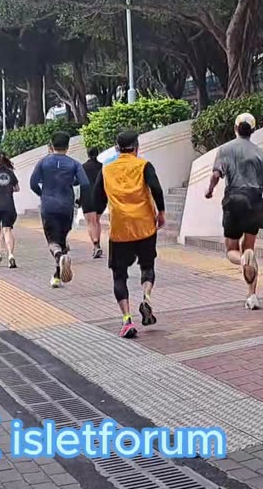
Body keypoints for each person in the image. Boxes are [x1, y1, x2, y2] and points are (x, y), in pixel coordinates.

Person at [89, 130, 165, 338]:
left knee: (119, 275)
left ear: (116, 148)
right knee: (147, 266)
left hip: (120, 230)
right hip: (145, 227)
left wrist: (97, 215)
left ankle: (126, 321)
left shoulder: (106, 170)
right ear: (137, 147)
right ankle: (147, 298)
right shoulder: (144, 166)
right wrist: (162, 213)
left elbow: (97, 200)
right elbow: (156, 189)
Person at [204, 113, 263, 311]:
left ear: (235, 127)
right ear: (252, 130)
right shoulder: (259, 152)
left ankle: (242, 260)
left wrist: (209, 190)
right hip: (254, 202)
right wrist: (258, 188)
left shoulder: (225, 149)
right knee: (249, 248)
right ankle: (252, 295)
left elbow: (215, 175)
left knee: (231, 250)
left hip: (233, 201)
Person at [30, 131, 89, 288]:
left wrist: (43, 194)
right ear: (67, 147)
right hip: (66, 206)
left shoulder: (43, 162)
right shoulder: (74, 164)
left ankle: (58, 256)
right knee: (62, 238)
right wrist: (80, 200)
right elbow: (84, 183)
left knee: (53, 241)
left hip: (48, 205)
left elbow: (32, 183)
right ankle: (57, 275)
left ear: (51, 145)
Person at [81, 147, 104, 260]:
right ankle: (98, 243)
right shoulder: (102, 166)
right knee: (97, 221)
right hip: (101, 196)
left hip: (87, 196)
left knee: (90, 222)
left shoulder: (83, 167)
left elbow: (77, 181)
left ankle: (96, 245)